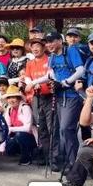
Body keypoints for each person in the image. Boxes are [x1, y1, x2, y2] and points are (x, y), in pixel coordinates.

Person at [45, 31, 85, 172]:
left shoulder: (70, 51)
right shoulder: (52, 57)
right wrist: (53, 82)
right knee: (62, 131)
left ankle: (75, 164)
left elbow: (80, 70)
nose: (49, 44)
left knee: (66, 129)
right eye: (47, 42)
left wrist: (65, 82)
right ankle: (70, 162)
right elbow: (52, 73)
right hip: (60, 97)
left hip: (72, 96)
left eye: (52, 41)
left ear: (60, 41)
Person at [23, 38, 56, 167]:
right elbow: (27, 77)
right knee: (41, 127)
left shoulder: (50, 59)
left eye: (38, 46)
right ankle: (46, 156)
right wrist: (31, 83)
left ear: (43, 47)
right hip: (37, 97)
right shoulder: (30, 63)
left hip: (50, 96)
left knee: (51, 127)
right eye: (33, 47)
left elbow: (50, 76)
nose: (35, 49)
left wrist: (34, 83)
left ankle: (54, 158)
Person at [2, 85, 37, 166]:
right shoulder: (9, 109)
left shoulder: (25, 108)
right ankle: (20, 151)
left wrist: (12, 129)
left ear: (19, 98)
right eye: (9, 98)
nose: (11, 100)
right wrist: (2, 145)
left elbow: (27, 128)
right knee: (8, 149)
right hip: (17, 135)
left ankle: (27, 157)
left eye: (13, 97)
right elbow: (7, 127)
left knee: (19, 135)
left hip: (30, 137)